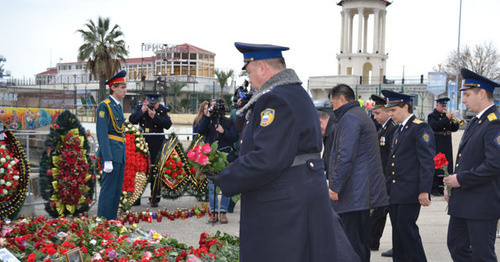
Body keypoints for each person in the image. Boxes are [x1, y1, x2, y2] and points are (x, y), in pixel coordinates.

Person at [208, 42, 359, 261]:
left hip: (283, 203)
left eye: (249, 72)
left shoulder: (275, 99)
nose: (249, 79)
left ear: (262, 68)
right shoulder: (294, 93)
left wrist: (227, 176)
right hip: (296, 194)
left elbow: (267, 158)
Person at [443, 68, 500, 261]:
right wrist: (451, 187)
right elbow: (467, 159)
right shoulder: (476, 122)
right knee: (456, 246)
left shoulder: (493, 123)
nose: (464, 100)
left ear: (482, 94)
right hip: (463, 200)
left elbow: (493, 164)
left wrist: (460, 180)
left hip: (482, 203)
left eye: (467, 95)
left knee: (482, 254)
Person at [327, 84, 389, 262]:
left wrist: (335, 186)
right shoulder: (359, 115)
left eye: (333, 103)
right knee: (359, 244)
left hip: (353, 194)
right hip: (360, 194)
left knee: (352, 246)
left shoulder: (350, 118)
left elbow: (345, 156)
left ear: (341, 99)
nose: (333, 108)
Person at [381, 89, 435, 262]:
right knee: (398, 232)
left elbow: (426, 161)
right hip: (396, 191)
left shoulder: (419, 128)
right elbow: (393, 162)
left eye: (393, 110)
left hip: (410, 191)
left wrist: (424, 190)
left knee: (407, 230)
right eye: (388, 111)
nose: (390, 114)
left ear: (406, 107)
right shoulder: (399, 130)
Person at [195, 98, 238, 224]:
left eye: (215, 106)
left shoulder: (228, 121)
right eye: (211, 106)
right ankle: (213, 213)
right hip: (211, 158)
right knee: (212, 187)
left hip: (226, 157)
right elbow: (200, 131)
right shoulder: (208, 121)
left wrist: (223, 131)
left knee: (226, 186)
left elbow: (234, 137)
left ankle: (223, 212)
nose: (213, 108)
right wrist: (207, 117)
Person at [129, 93, 172, 207]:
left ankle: (154, 198)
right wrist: (141, 112)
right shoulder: (140, 108)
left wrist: (155, 116)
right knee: (140, 170)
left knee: (155, 171)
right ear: (146, 101)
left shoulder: (162, 110)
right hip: (142, 141)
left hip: (156, 143)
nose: (152, 105)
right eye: (150, 103)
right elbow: (131, 120)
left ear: (158, 102)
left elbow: (168, 124)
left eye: (155, 103)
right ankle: (136, 197)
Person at [96, 70, 127, 220]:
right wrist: (107, 158)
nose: (125, 90)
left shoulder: (118, 106)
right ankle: (102, 223)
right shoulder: (104, 106)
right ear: (113, 87)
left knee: (116, 191)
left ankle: (112, 221)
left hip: (119, 154)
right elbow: (102, 134)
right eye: (122, 87)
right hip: (111, 154)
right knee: (108, 191)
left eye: (125, 87)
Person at [368, 94, 398, 254]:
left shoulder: (393, 129)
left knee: (391, 214)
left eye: (377, 113)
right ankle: (373, 241)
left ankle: (396, 245)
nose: (375, 116)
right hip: (381, 178)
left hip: (388, 178)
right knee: (380, 212)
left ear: (387, 112)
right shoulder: (384, 128)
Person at [427, 97, 459, 196]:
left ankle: (442, 186)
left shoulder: (446, 117)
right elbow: (435, 126)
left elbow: (454, 129)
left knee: (446, 164)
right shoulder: (432, 116)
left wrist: (455, 123)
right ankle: (435, 187)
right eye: (442, 106)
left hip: (446, 142)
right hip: (438, 142)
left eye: (445, 106)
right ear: (437, 105)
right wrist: (446, 119)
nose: (444, 108)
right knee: (437, 164)